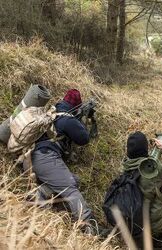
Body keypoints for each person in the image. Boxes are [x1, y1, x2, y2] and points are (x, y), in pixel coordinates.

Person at [24, 89, 100, 235]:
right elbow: (83, 139)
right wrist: (80, 120)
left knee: (73, 180)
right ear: (77, 106)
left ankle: (39, 193)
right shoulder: (68, 119)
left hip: (33, 157)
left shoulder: (53, 111)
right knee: (71, 188)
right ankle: (88, 226)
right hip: (45, 157)